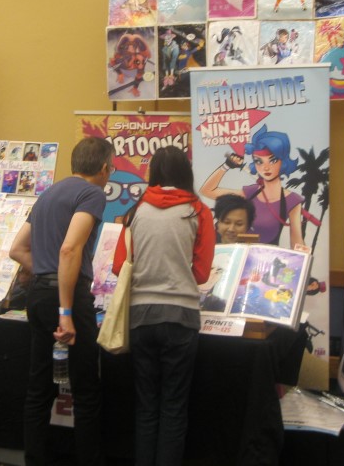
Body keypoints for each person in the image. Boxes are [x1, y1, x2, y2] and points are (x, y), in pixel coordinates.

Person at [9, 136, 114, 466]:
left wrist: (45, 272)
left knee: (39, 388)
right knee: (85, 390)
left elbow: (17, 249)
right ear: (104, 168)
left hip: (39, 293)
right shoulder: (92, 194)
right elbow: (70, 249)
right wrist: (66, 310)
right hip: (67, 297)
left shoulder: (48, 194)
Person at [112, 147, 214, 465]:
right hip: (182, 317)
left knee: (146, 405)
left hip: (141, 316)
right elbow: (202, 274)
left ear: (153, 172)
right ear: (186, 172)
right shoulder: (198, 211)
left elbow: (118, 266)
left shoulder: (135, 211)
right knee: (174, 406)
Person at [200, 125, 305, 248]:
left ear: (283, 161)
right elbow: (207, 190)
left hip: (266, 257)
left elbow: (296, 241)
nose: (266, 167)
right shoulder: (250, 192)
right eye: (259, 161)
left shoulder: (292, 200)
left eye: (273, 160)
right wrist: (226, 166)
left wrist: (302, 256)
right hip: (235, 253)